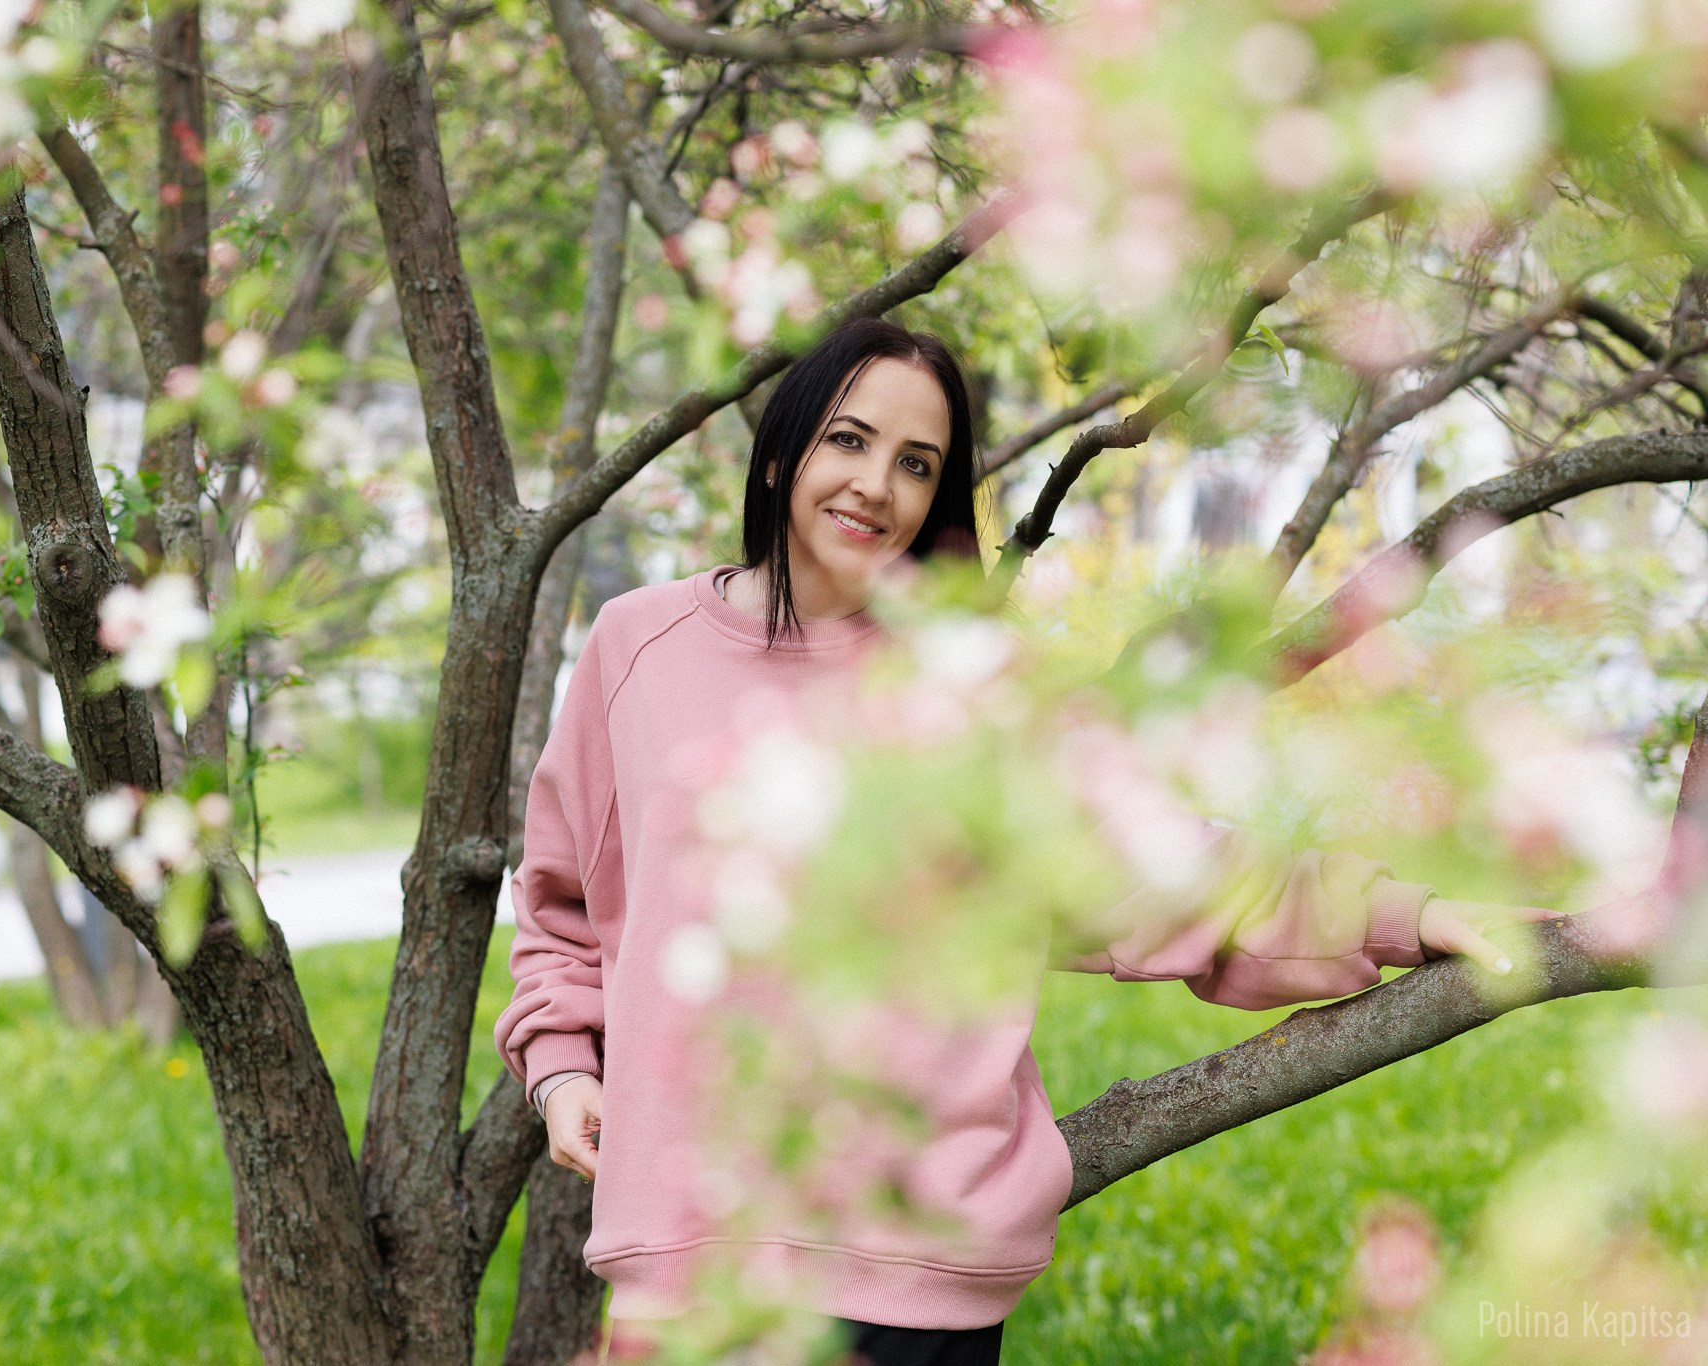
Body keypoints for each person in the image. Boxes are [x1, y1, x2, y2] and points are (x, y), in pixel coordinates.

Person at [491, 317, 1554, 1365]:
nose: (875, 485)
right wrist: (558, 1068)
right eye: (848, 440)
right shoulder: (638, 647)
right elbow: (564, 903)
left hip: (911, 1271)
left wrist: (1404, 914)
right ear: (779, 456)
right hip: (688, 1259)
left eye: (916, 463)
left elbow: (1161, 869)